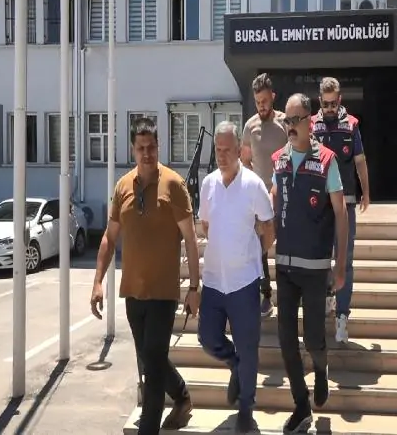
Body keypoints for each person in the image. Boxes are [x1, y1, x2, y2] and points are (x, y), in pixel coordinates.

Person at [90, 118, 201, 435]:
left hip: (163, 293)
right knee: (151, 357)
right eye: (141, 148)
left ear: (158, 146)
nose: (147, 153)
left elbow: (190, 239)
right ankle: (182, 396)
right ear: (132, 150)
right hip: (133, 293)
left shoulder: (174, 185)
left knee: (151, 369)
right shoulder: (123, 186)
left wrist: (194, 287)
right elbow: (110, 237)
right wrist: (98, 282)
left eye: (151, 147)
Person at [271, 94, 349, 433]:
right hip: (285, 266)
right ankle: (301, 405)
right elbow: (274, 201)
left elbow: (341, 215)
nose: (290, 127)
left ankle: (320, 368)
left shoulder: (327, 161)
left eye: (295, 120)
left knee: (314, 339)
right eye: (286, 121)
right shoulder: (279, 160)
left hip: (316, 268)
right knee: (286, 340)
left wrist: (340, 266)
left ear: (310, 121)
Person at [197, 121, 276, 433]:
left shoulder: (253, 185)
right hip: (214, 281)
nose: (222, 156)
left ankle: (246, 407)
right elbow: (205, 225)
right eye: (218, 150)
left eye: (227, 150)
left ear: (239, 151)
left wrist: (253, 253)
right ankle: (233, 364)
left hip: (244, 282)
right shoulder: (208, 184)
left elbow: (268, 227)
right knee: (207, 338)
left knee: (248, 346)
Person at [311, 77, 371, 344]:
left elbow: (360, 161)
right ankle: (327, 295)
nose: (330, 108)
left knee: (345, 259)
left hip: (345, 203)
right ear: (319, 101)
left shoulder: (352, 125)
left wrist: (366, 192)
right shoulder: (311, 125)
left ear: (340, 100)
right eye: (325, 104)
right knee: (320, 256)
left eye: (333, 103)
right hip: (319, 203)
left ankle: (342, 316)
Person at [241, 73, 288, 318]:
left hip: (285, 194)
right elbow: (245, 161)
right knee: (260, 248)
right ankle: (265, 295)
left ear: (273, 97)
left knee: (287, 246)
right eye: (258, 101)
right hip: (259, 197)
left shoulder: (284, 122)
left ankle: (290, 295)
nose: (261, 106)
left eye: (265, 101)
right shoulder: (250, 126)